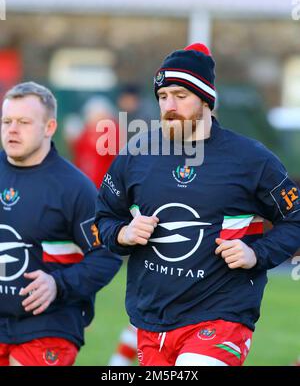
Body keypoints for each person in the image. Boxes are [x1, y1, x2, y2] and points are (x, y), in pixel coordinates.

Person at [95, 43, 300, 367]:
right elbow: (103, 218)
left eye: (180, 95)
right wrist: (123, 233)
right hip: (151, 320)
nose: (169, 106)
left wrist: (256, 253)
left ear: (205, 99)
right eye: (163, 97)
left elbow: (295, 218)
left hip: (221, 317)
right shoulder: (136, 155)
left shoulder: (251, 159)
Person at [0, 82, 122, 367]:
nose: (12, 129)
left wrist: (58, 284)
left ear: (49, 127)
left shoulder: (74, 188)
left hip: (49, 326)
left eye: (24, 122)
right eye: (6, 121)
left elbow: (107, 253)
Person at [65, 96, 119, 188]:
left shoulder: (112, 131)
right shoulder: (86, 132)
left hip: (103, 184)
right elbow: (78, 153)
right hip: (86, 183)